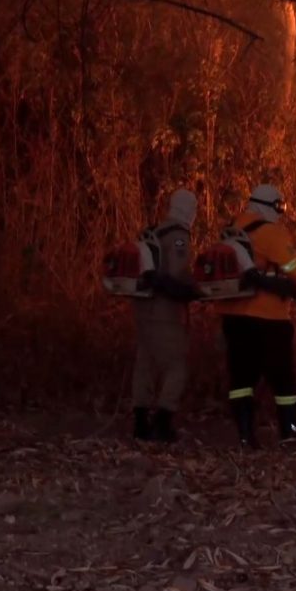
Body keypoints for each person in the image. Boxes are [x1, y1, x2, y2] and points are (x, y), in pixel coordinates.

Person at [216, 183, 296, 448]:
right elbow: (295, 271)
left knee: (241, 379)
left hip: (233, 318)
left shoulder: (231, 230)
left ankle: (246, 437)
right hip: (269, 319)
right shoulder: (271, 233)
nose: (280, 212)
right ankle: (290, 434)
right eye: (279, 207)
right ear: (269, 206)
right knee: (283, 381)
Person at [132, 188, 200, 442]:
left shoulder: (153, 232)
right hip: (166, 311)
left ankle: (140, 423)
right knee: (176, 365)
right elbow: (177, 273)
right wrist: (194, 290)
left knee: (145, 363)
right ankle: (163, 421)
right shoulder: (179, 237)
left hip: (143, 308)